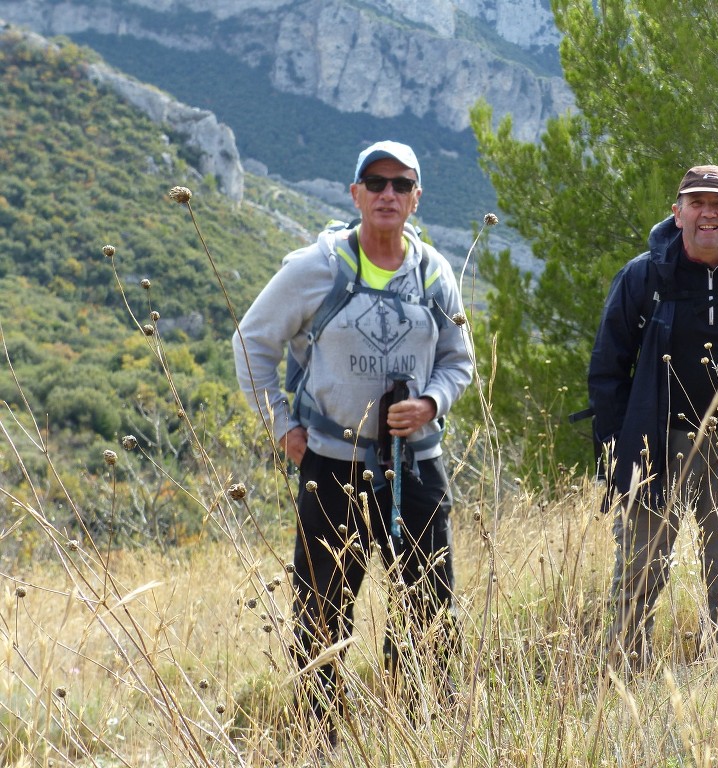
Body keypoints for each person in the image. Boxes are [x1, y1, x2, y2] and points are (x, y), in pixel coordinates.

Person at [232, 141, 473, 743]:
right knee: (321, 611)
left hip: (415, 466)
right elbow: (251, 342)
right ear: (355, 194)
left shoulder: (433, 273)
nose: (388, 194)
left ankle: (422, 729)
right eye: (376, 182)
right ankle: (319, 737)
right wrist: (283, 427)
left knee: (430, 607)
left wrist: (430, 403)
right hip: (331, 464)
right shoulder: (315, 267)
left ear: (417, 197)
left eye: (401, 184)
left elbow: (457, 359)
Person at [588, 164, 718, 670]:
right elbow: (607, 370)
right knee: (636, 582)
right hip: (653, 447)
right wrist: (618, 450)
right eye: (698, 202)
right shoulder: (643, 275)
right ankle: (621, 686)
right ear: (678, 212)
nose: (709, 213)